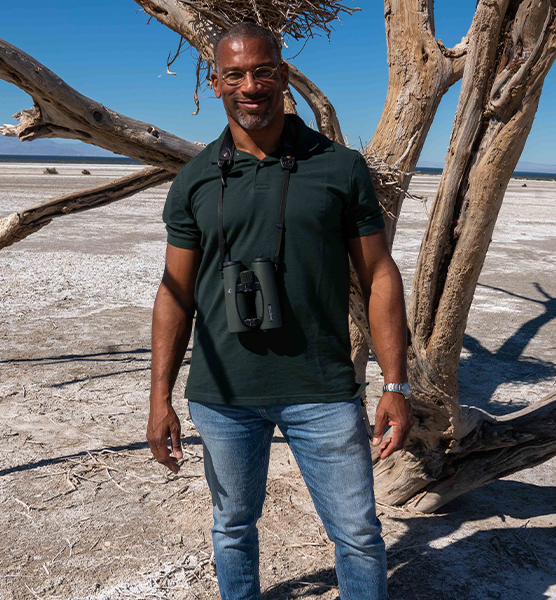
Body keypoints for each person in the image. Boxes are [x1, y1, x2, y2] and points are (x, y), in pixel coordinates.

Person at [147, 21, 412, 600]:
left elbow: (379, 274)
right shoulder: (194, 180)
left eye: (263, 71)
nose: (250, 86)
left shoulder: (339, 166)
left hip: (321, 389)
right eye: (235, 74)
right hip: (222, 394)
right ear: (214, 82)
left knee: (359, 535)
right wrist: (159, 399)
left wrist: (396, 383)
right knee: (233, 529)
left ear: (283, 76)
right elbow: (175, 292)